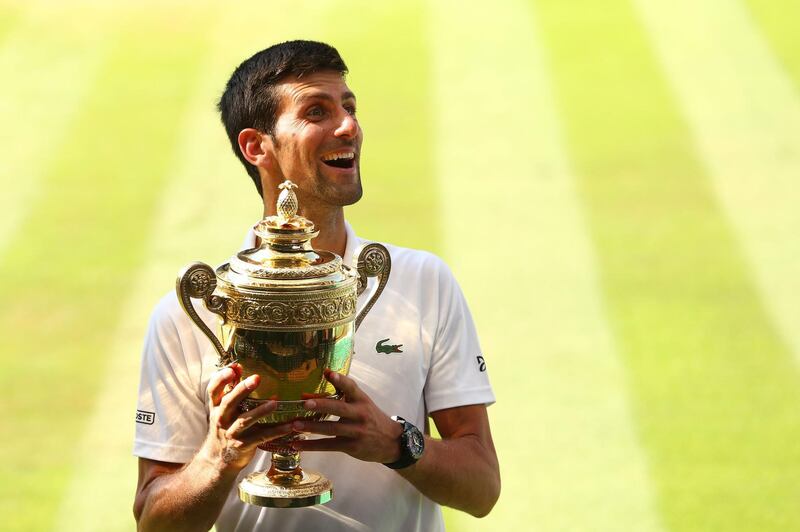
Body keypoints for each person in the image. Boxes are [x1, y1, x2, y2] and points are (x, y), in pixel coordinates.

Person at [133, 40, 500, 532]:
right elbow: (154, 522)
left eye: (349, 107)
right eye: (317, 111)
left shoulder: (423, 282)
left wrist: (395, 444)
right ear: (256, 146)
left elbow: (481, 488)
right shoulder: (187, 312)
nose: (348, 125)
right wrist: (219, 456)